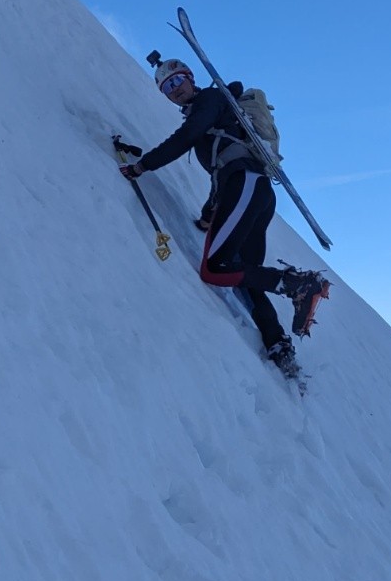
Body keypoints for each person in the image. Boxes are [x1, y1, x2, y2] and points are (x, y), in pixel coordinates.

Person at [120, 58, 328, 371]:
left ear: (191, 78)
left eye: (177, 81)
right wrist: (207, 217)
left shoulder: (210, 100)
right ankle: (278, 343)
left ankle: (297, 284)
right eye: (167, 88)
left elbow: (186, 137)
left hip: (245, 186)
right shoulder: (214, 118)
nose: (174, 90)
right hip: (250, 191)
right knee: (245, 273)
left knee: (214, 269)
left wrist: (141, 166)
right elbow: (221, 178)